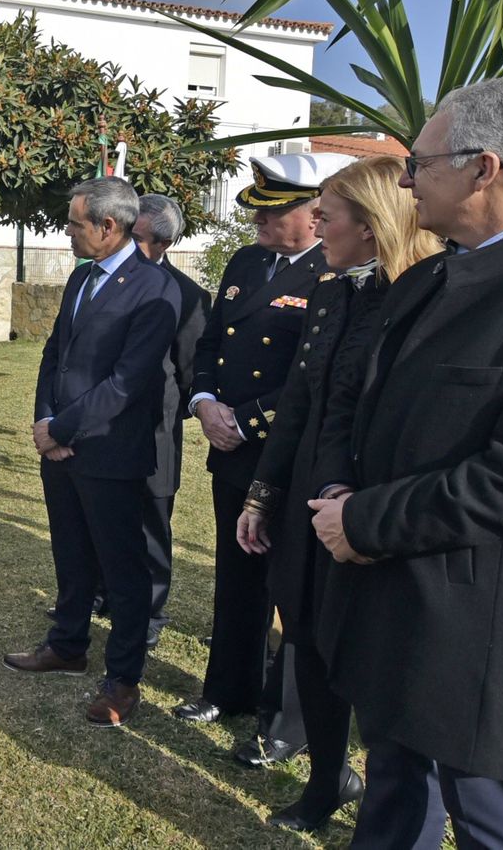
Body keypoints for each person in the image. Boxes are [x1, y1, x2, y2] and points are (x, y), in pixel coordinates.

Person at [308, 79, 503, 849]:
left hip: (485, 636)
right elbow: (355, 404)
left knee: (496, 825)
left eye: (420, 164)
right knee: (393, 803)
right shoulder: (429, 279)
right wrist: (337, 485)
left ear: (483, 169)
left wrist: (363, 521)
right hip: (394, 607)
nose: (406, 182)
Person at [234, 155, 440, 831]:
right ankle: (327, 781)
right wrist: (263, 495)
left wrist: (361, 508)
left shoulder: (419, 296)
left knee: (372, 664)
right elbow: (299, 403)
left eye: (328, 216)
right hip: (308, 501)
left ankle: (389, 809)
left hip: (372, 512)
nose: (316, 226)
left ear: (373, 224)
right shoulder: (329, 292)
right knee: (310, 644)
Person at [174, 152, 354, 767]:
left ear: (312, 213)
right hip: (230, 450)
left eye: (271, 213)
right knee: (236, 575)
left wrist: (245, 420)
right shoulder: (246, 262)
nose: (257, 223)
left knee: (292, 586)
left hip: (288, 454)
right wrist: (204, 404)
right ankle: (228, 689)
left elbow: (315, 379)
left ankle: (287, 720)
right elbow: (209, 344)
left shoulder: (333, 272)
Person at [2, 178, 179, 727]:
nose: (67, 233)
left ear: (108, 226)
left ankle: (123, 679)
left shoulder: (155, 288)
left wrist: (63, 428)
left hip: (110, 453)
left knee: (123, 573)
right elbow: (55, 353)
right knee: (72, 554)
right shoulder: (82, 276)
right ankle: (68, 645)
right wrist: (44, 420)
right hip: (62, 450)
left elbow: (127, 382)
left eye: (75, 224)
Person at [128, 193, 211, 648]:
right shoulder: (107, 279)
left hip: (156, 433)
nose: (127, 243)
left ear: (163, 243)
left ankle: (151, 610)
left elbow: (190, 372)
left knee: (152, 524)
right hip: (102, 430)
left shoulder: (188, 295)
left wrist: (161, 413)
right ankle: (102, 592)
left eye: (137, 236)